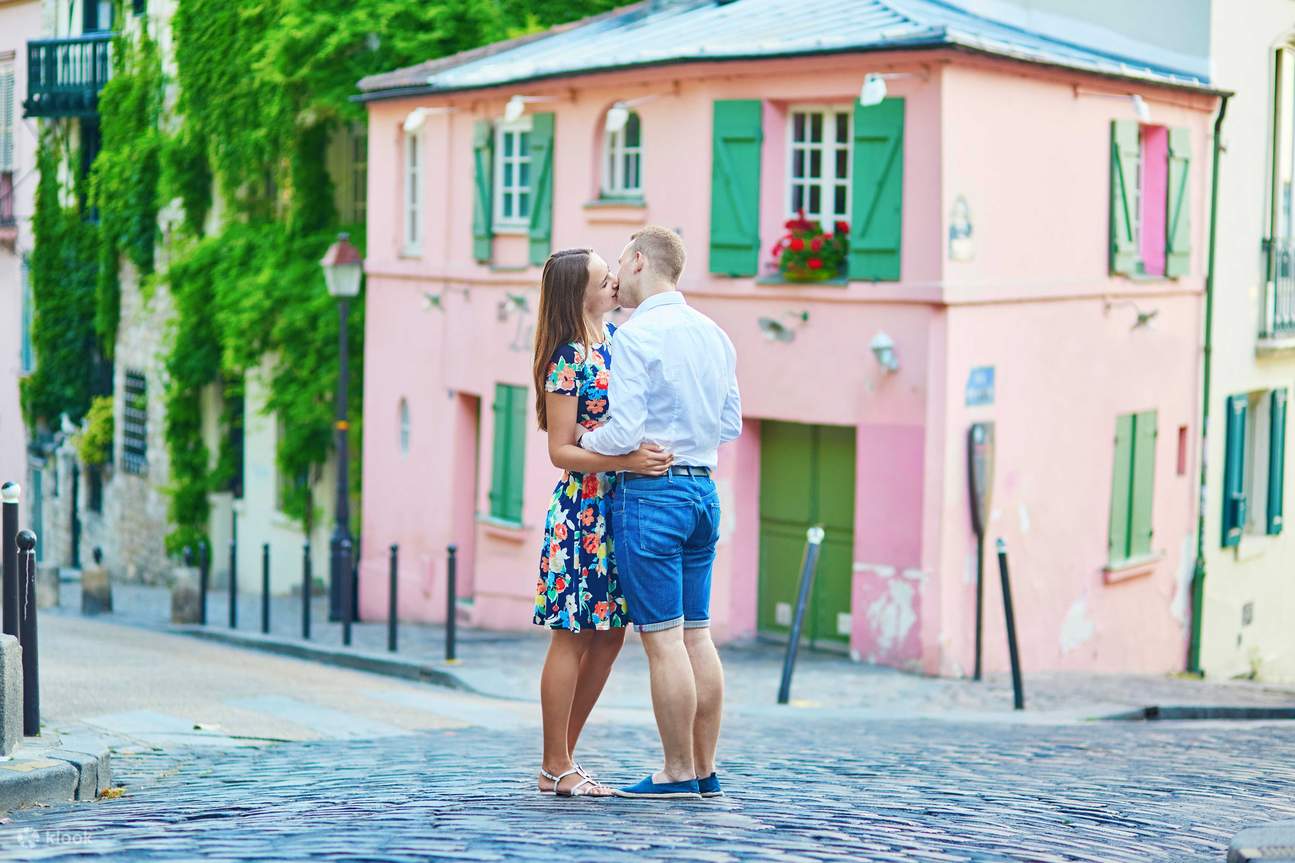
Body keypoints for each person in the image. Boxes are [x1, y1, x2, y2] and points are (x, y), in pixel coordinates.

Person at [578, 225, 742, 801]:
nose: (617, 276)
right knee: (697, 634)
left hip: (652, 495)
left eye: (621, 262)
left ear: (640, 261)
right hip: (703, 493)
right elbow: (729, 425)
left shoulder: (634, 336)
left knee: (664, 640)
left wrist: (584, 440)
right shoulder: (715, 334)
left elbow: (623, 432)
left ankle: (675, 771)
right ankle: (704, 770)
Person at [530, 247, 675, 798]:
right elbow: (561, 451)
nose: (615, 281)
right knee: (572, 635)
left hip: (620, 507)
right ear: (579, 294)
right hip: (582, 512)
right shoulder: (567, 358)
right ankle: (554, 764)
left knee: (611, 635)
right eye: (603, 278)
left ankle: (562, 760)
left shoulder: (614, 340)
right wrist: (627, 461)